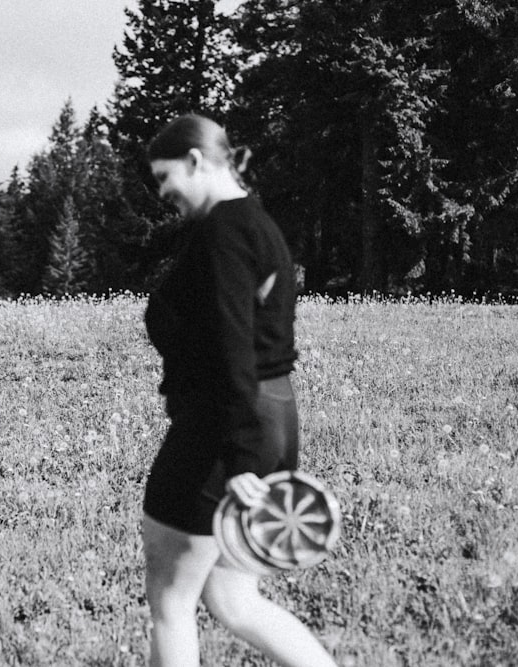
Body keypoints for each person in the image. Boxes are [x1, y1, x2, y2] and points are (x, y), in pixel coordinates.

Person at [141, 114, 336, 667]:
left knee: (171, 602)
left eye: (164, 177)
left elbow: (232, 348)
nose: (163, 193)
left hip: (223, 429)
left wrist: (240, 458)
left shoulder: (224, 230)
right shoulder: (256, 224)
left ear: (196, 161)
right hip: (271, 416)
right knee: (233, 599)